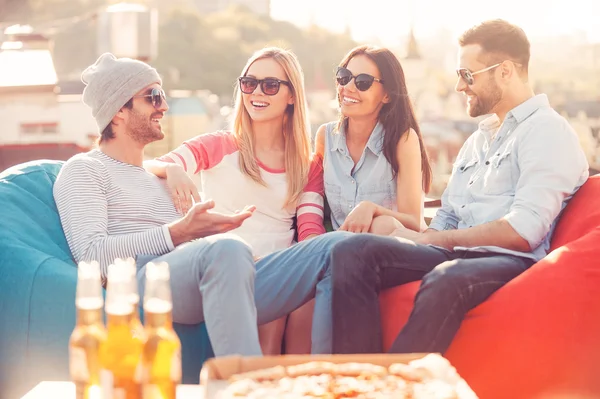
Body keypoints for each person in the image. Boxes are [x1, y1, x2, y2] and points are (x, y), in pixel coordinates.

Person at [327, 19, 590, 355]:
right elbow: (447, 216)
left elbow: (526, 230)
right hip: (450, 251)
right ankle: (359, 375)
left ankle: (398, 383)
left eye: (468, 75)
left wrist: (441, 239)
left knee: (447, 278)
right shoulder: (478, 140)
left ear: (505, 71)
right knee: (351, 251)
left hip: (505, 259)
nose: (458, 87)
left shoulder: (546, 132)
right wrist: (415, 236)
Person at [53, 53, 262, 357]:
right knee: (228, 248)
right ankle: (246, 385)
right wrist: (178, 233)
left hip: (200, 273)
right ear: (118, 112)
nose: (163, 106)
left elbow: (198, 251)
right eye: (153, 96)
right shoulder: (84, 169)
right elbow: (91, 255)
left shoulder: (162, 176)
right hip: (144, 280)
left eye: (161, 95)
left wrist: (222, 244)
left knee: (336, 251)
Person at [144, 47, 325, 355]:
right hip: (225, 267)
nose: (257, 92)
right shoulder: (217, 146)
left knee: (298, 298)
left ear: (292, 96)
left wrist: (299, 271)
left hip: (277, 272)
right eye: (249, 82)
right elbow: (145, 166)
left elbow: (310, 232)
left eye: (270, 85)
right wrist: (172, 168)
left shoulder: (308, 165)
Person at [314, 45, 432, 236]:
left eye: (363, 82)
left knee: (382, 225)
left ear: (387, 95)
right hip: (339, 252)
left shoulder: (403, 140)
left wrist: (372, 209)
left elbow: (413, 222)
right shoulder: (325, 138)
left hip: (391, 250)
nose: (348, 88)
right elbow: (313, 203)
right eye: (344, 77)